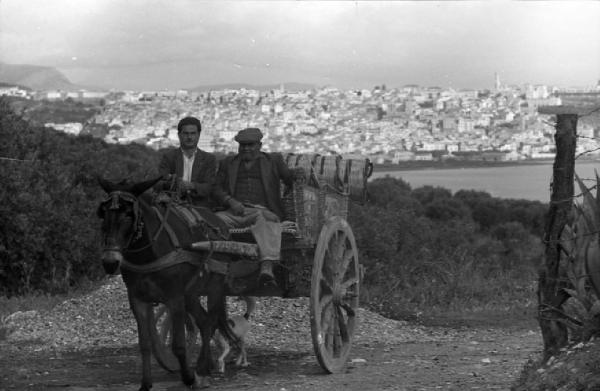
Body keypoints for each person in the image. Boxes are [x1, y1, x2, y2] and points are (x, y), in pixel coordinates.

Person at [214, 127, 303, 287]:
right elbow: (216, 188)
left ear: (259, 145)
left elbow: (290, 181)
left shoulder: (273, 161)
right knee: (215, 221)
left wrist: (297, 175)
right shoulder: (227, 163)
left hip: (262, 211)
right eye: (243, 145)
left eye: (250, 145)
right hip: (234, 212)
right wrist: (230, 201)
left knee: (267, 221)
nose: (246, 148)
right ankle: (219, 265)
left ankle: (266, 266)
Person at [157, 116, 217, 207]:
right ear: (179, 135)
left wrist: (190, 186)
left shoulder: (209, 159)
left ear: (199, 135)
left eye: (193, 133)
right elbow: (158, 183)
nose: (189, 137)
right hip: (172, 206)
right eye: (186, 133)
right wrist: (174, 183)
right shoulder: (169, 157)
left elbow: (209, 187)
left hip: (200, 207)